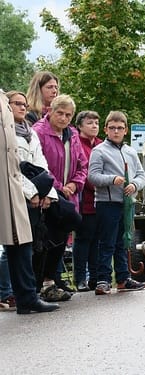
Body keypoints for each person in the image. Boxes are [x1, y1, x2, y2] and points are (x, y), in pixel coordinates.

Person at [0, 89, 59, 314]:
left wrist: (44, 191)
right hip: (14, 192)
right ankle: (18, 295)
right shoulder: (7, 128)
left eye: (24, 104)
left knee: (25, 246)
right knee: (17, 246)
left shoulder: (29, 132)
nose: (22, 107)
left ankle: (27, 297)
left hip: (29, 191)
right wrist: (30, 192)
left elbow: (38, 163)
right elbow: (10, 166)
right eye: (16, 103)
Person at [33, 94, 88, 301]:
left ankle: (48, 282)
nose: (64, 118)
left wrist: (75, 184)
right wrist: (58, 187)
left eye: (68, 115)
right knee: (46, 239)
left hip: (69, 194)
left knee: (61, 236)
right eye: (60, 113)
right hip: (48, 194)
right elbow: (39, 165)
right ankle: (40, 284)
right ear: (51, 111)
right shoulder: (39, 132)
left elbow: (82, 164)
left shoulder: (72, 134)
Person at [88, 111, 145, 294]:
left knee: (123, 241)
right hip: (107, 202)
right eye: (112, 128)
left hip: (127, 203)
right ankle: (103, 279)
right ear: (106, 129)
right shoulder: (99, 151)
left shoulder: (130, 151)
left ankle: (123, 278)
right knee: (107, 242)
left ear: (125, 130)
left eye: (120, 128)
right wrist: (112, 179)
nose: (116, 131)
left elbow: (141, 175)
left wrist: (135, 185)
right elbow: (93, 176)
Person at [72, 111, 103, 291]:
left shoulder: (101, 145)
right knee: (84, 239)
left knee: (97, 240)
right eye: (90, 123)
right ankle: (80, 278)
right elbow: (81, 171)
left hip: (103, 201)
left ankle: (95, 276)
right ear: (80, 126)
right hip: (85, 200)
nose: (94, 126)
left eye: (96, 122)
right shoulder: (77, 144)